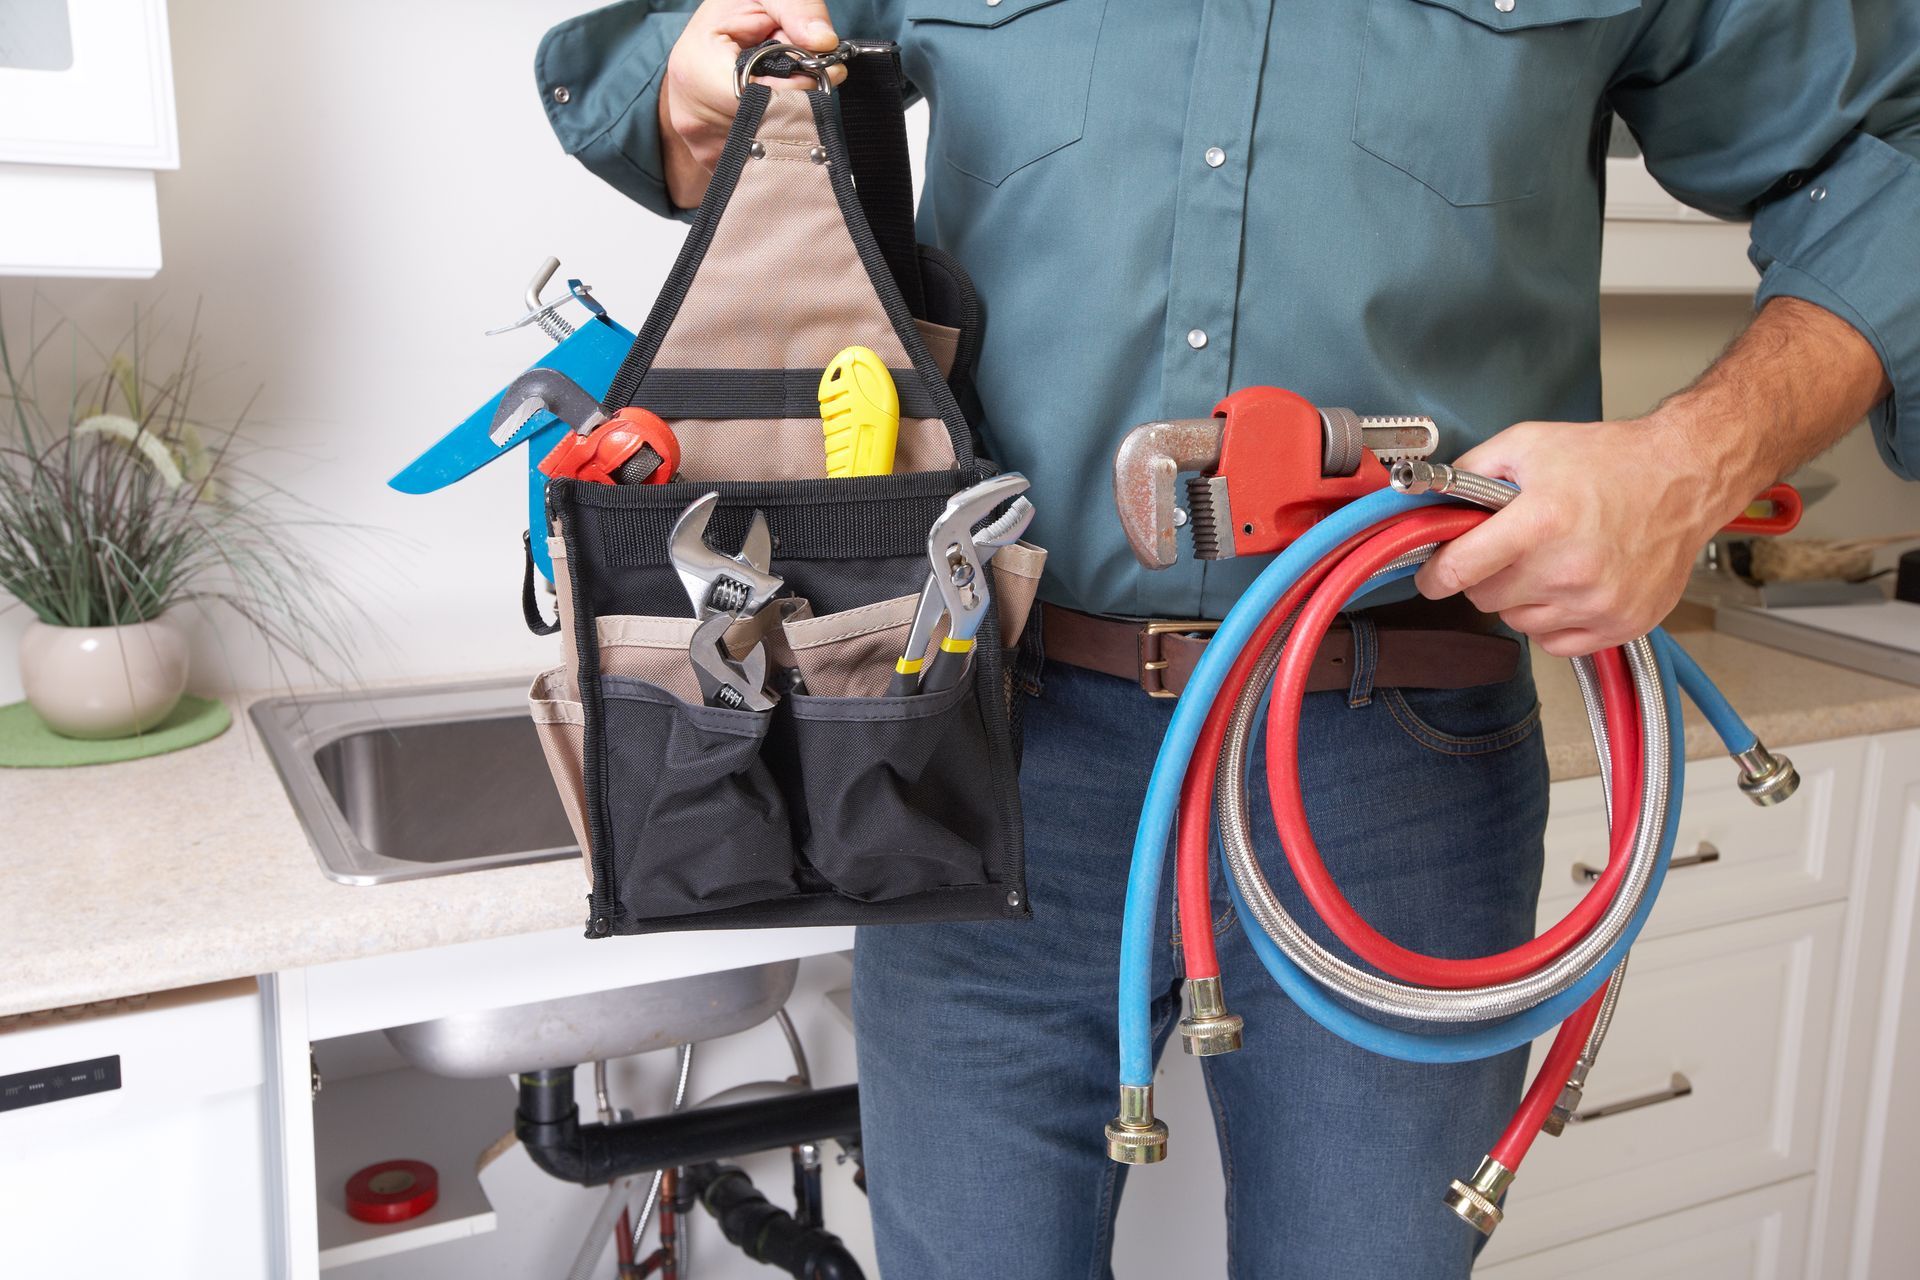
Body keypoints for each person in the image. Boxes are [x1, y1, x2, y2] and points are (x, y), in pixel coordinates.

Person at [535, 2, 1915, 1274]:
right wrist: (698, 83)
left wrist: (1693, 458)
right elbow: (650, 66)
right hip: (985, 742)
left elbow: (1891, 166)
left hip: (1393, 763)